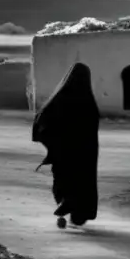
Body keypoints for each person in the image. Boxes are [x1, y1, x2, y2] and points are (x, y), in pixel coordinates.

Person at [31, 62, 100, 229]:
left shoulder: (59, 98)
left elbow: (41, 118)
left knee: (63, 179)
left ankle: (64, 203)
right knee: (82, 182)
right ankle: (77, 213)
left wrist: (49, 140)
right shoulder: (88, 102)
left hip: (63, 151)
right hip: (84, 153)